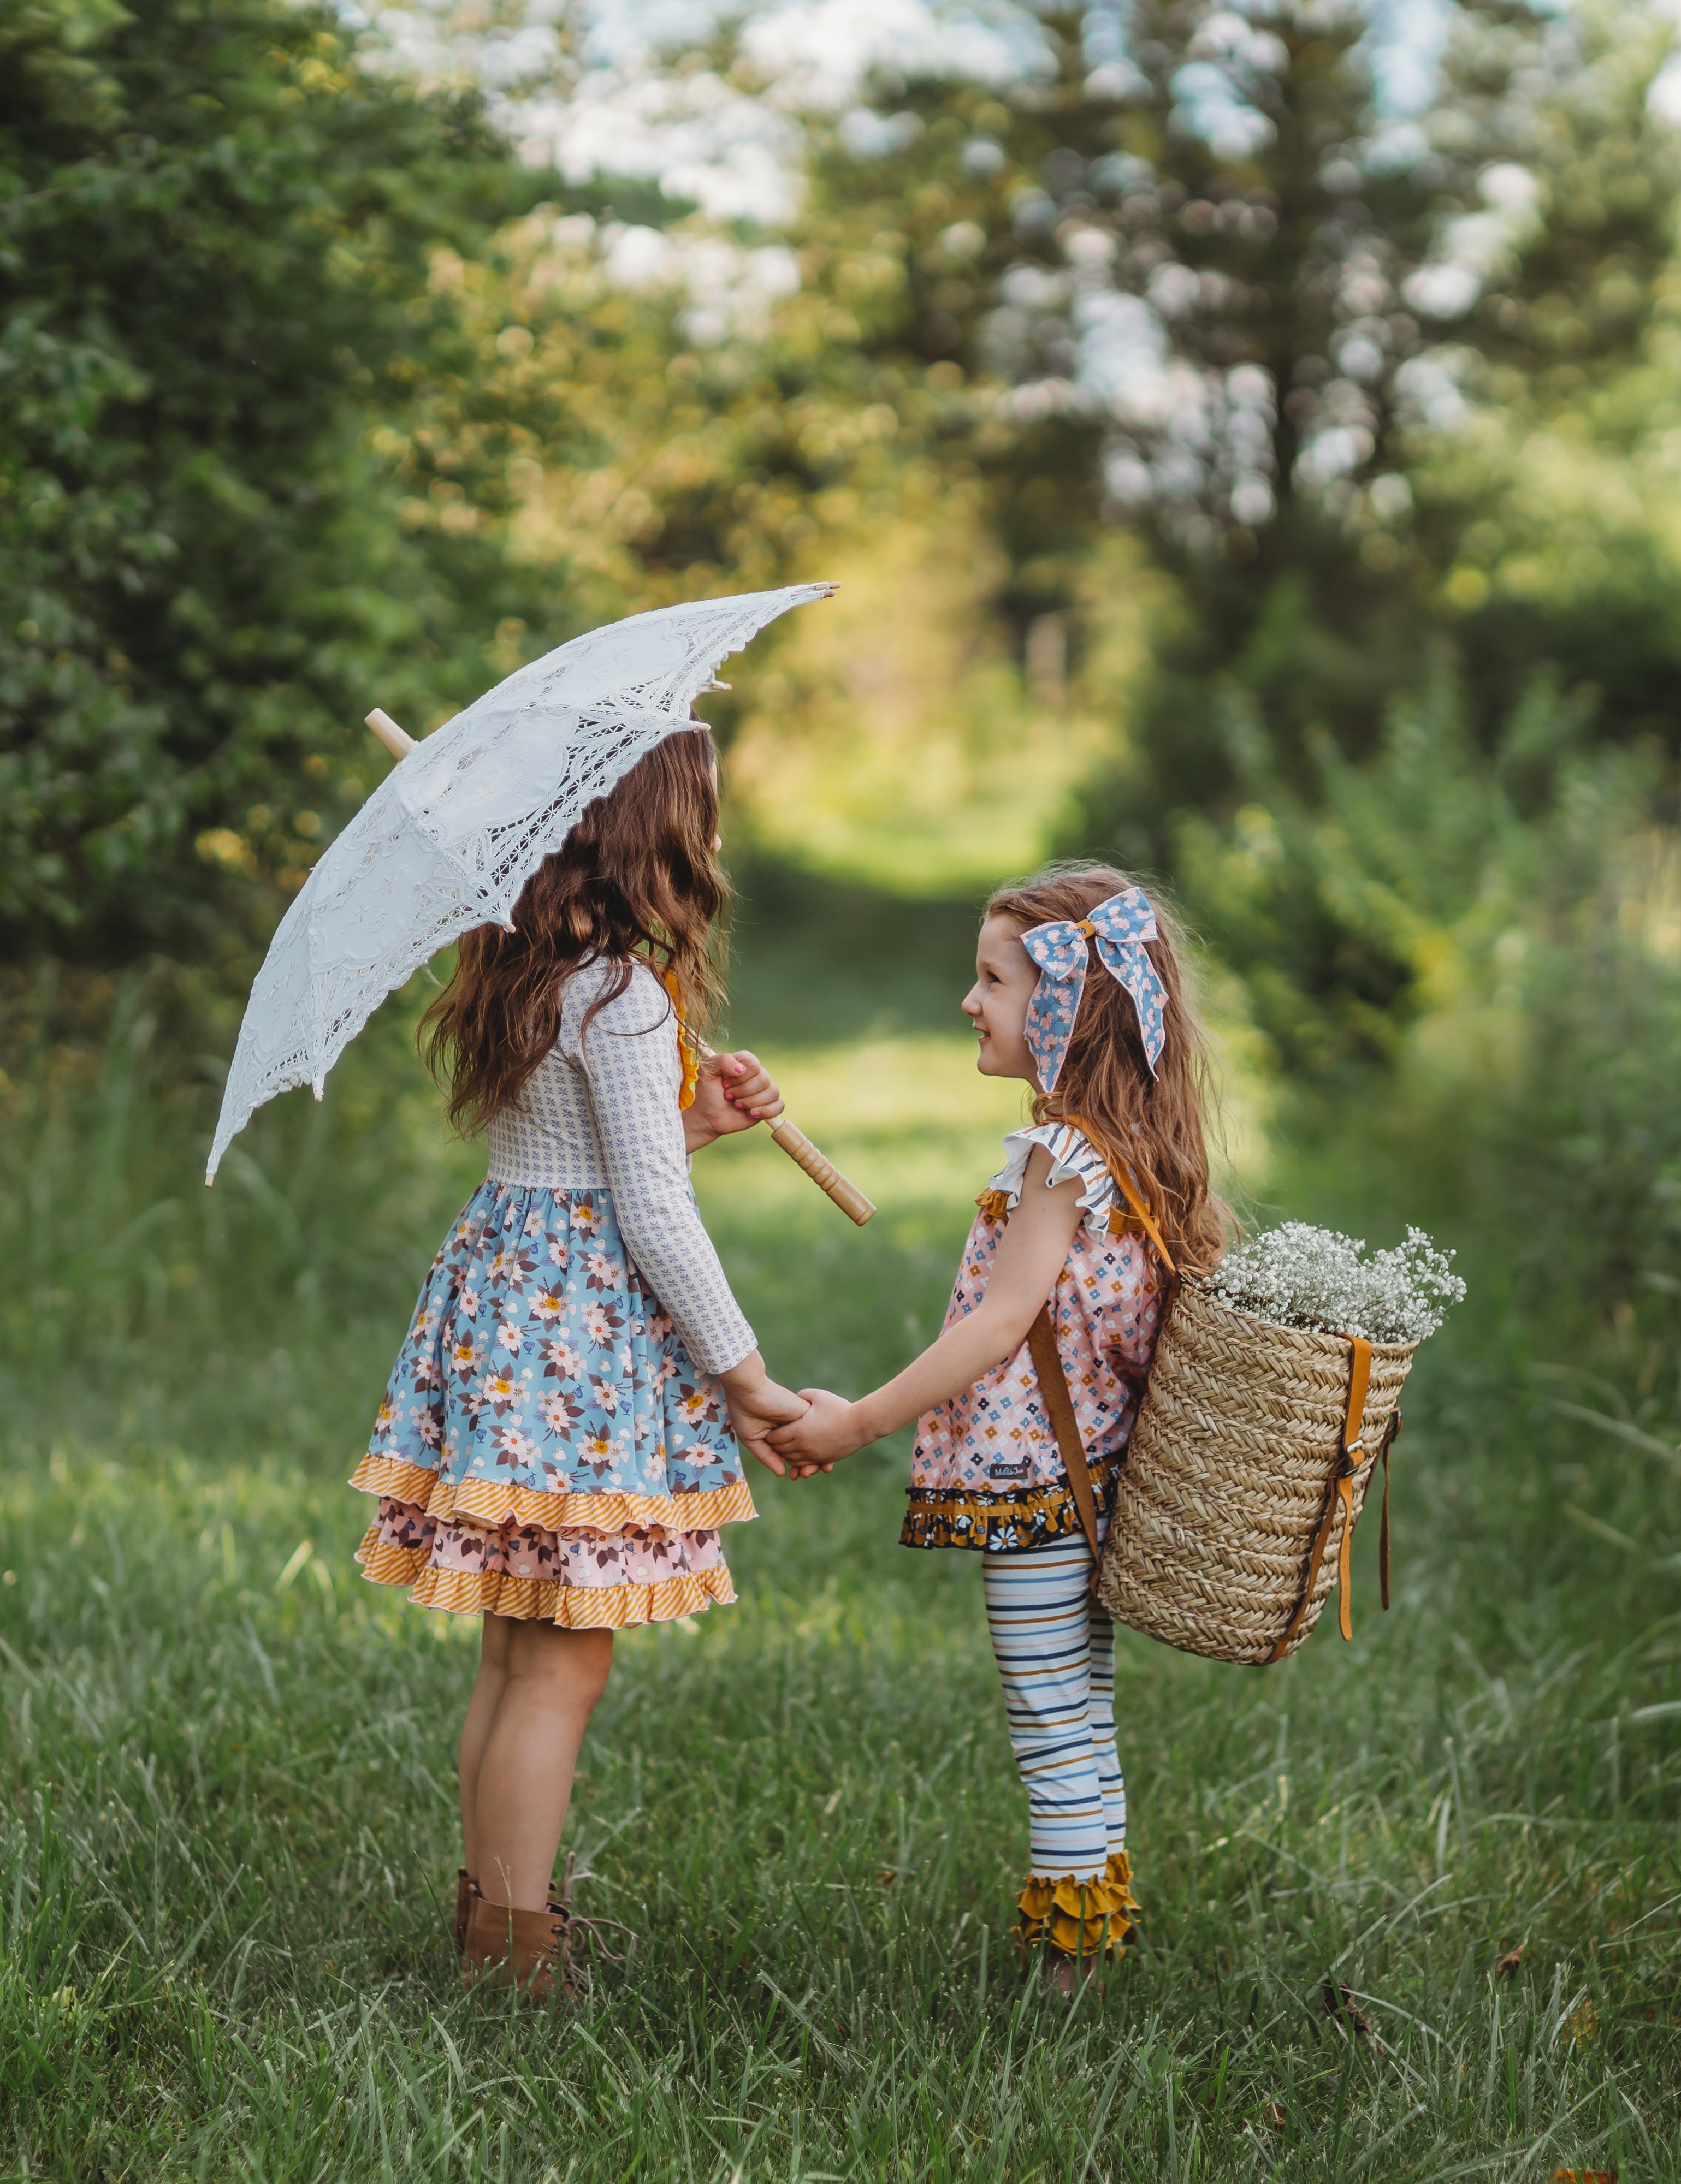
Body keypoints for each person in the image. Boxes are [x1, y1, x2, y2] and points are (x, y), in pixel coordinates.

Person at [349, 725, 807, 1998]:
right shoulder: (624, 997)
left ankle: (499, 1920)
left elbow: (586, 1169)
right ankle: (516, 1955)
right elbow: (649, 1217)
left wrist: (695, 1121)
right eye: (699, 822)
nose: (713, 844)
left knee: (516, 1650)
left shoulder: (520, 970)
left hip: (510, 1325)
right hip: (574, 1355)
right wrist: (748, 1374)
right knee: (564, 1657)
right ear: (646, 844)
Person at [769, 865, 1226, 1988]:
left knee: (1049, 1721)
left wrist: (860, 1421)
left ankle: (1072, 1967)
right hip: (1102, 1480)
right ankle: (1101, 1932)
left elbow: (999, 1323)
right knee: (1083, 1709)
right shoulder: (1133, 1148)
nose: (969, 1000)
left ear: (1069, 1006)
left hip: (1039, 1496)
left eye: (993, 979)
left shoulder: (1056, 1159)